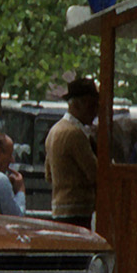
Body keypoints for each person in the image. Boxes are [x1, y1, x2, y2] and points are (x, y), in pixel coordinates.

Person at [45, 77, 99, 229]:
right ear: (76, 104)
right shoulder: (75, 134)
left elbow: (48, 175)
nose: (95, 112)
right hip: (77, 210)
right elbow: (94, 173)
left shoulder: (54, 130)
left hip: (59, 207)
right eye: (91, 106)